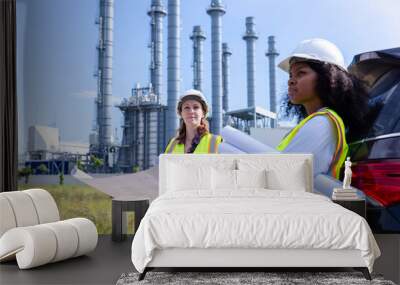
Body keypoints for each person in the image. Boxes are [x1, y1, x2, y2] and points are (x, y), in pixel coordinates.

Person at [276, 38, 369, 178]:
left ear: (327, 78)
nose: (291, 80)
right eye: (291, 75)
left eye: (301, 73)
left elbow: (280, 175)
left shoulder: (322, 123)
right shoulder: (319, 121)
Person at [165, 89, 223, 154]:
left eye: (196, 107)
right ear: (181, 113)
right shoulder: (172, 145)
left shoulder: (216, 142)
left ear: (203, 113)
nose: (191, 111)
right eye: (187, 107)